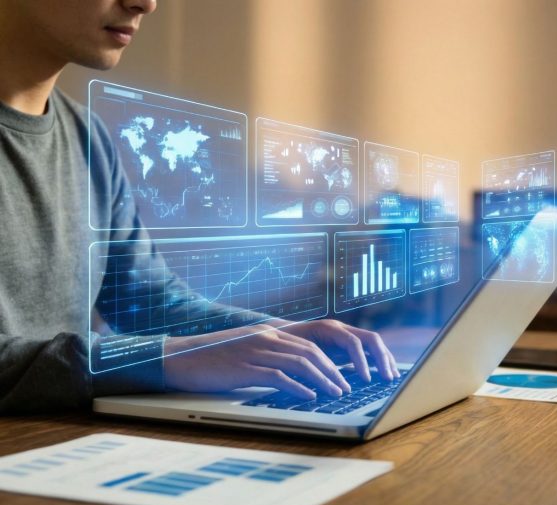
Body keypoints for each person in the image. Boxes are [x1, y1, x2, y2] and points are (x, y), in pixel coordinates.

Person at [0, 0, 398, 413]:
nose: (146, 4)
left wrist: (279, 336)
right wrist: (168, 358)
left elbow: (147, 301)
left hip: (63, 437)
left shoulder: (88, 137)